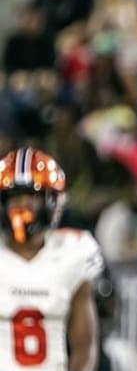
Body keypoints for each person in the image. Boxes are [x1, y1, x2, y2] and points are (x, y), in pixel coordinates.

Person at [0, 148, 103, 371]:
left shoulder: (73, 252)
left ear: (52, 201)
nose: (22, 206)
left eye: (32, 198)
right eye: (14, 198)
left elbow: (85, 348)